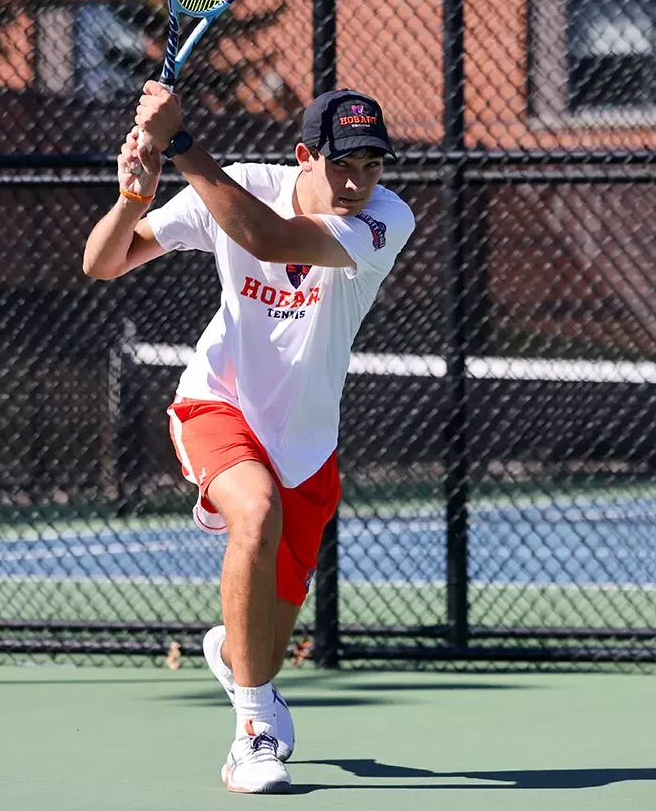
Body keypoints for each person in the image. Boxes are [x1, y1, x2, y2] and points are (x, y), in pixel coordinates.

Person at [81, 82, 415, 794]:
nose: (357, 182)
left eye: (372, 166)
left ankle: (240, 666)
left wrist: (180, 143)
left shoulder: (385, 219)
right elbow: (103, 262)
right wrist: (134, 196)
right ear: (305, 157)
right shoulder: (239, 187)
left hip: (308, 447)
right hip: (217, 404)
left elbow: (268, 239)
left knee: (256, 647)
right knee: (255, 511)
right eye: (342, 164)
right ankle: (251, 735)